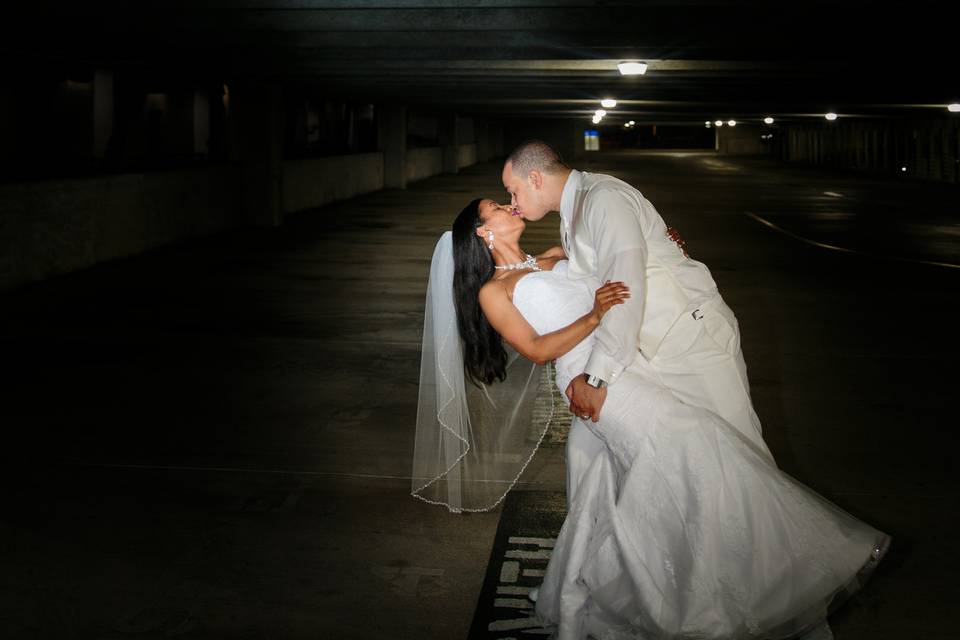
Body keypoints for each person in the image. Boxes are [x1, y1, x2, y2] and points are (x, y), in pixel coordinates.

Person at [412, 198, 888, 639]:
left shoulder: (557, 255)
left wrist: (668, 249)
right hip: (589, 383)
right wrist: (595, 315)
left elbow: (630, 262)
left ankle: (663, 579)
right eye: (497, 206)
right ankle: (700, 592)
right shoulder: (495, 292)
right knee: (696, 441)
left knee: (649, 472)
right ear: (483, 233)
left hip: (629, 365)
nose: (509, 204)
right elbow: (537, 350)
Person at [502, 141, 773, 510]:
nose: (512, 201)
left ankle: (801, 555)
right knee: (694, 459)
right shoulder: (574, 213)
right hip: (652, 349)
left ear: (534, 177)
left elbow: (623, 290)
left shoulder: (603, 200)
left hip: (690, 338)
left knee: (738, 451)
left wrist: (596, 379)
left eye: (512, 190)